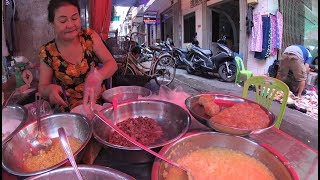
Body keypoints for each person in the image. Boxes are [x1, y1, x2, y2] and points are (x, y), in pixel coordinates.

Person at [38, 0, 117, 112]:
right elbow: (42, 87)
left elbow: (112, 64)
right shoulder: (47, 52)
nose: (70, 25)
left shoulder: (90, 37)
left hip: (97, 107)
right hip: (68, 112)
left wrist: (98, 76)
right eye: (63, 21)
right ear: (52, 23)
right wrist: (49, 90)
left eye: (74, 18)